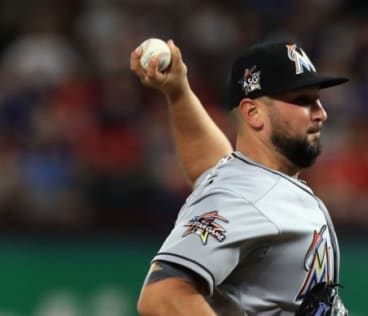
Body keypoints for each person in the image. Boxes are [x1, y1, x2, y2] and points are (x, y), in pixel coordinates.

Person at [130, 39, 349, 316]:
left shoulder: (246, 183)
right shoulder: (243, 197)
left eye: (318, 99)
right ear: (253, 112)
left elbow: (207, 166)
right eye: (303, 100)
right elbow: (162, 295)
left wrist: (178, 92)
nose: (321, 113)